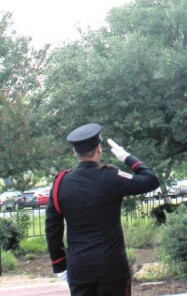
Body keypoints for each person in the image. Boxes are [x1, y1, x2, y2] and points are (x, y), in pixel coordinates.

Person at [45, 123, 160, 296]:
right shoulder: (111, 176)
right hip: (111, 268)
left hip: (79, 269)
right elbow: (151, 180)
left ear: (74, 152)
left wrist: (60, 265)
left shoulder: (61, 183)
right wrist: (126, 157)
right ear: (99, 148)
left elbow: (52, 227)